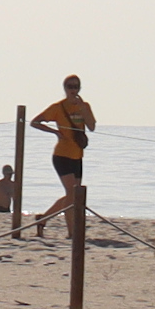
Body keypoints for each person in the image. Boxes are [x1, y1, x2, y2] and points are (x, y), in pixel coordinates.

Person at [25, 77, 96, 233]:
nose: (73, 90)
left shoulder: (84, 106)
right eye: (70, 86)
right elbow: (35, 122)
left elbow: (91, 126)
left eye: (76, 87)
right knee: (71, 193)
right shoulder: (58, 107)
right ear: (65, 88)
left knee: (73, 195)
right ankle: (72, 232)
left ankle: (43, 219)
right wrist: (55, 132)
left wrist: (83, 108)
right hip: (61, 155)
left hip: (77, 155)